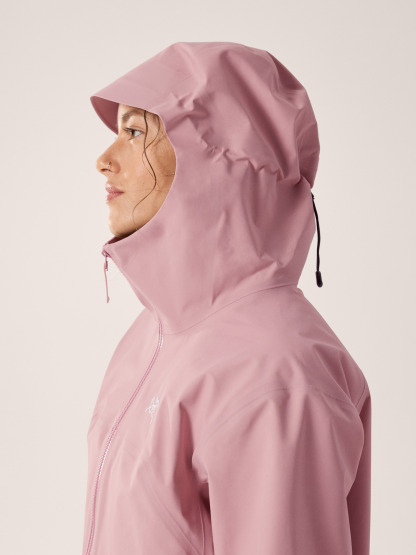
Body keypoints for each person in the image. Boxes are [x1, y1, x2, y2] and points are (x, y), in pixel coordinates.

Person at [83, 41, 372, 555]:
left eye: (135, 133)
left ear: (217, 161)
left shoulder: (278, 375)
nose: (105, 161)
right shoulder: (155, 333)